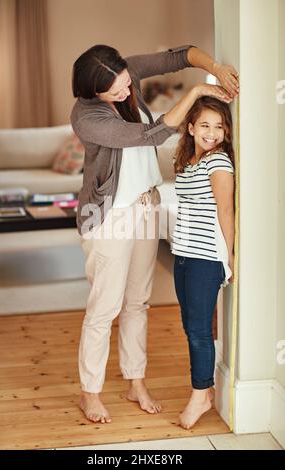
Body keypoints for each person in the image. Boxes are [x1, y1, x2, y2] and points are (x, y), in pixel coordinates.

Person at [70, 43, 239, 424]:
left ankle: (136, 381)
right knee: (105, 308)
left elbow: (179, 55)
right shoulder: (87, 116)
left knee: (137, 302)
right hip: (109, 216)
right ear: (92, 90)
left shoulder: (126, 74)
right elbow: (151, 135)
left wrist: (214, 68)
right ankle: (90, 392)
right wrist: (196, 92)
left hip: (146, 207)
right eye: (114, 89)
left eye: (126, 82)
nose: (125, 91)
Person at [172, 96, 236, 429]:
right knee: (190, 326)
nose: (212, 133)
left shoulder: (218, 162)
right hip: (182, 254)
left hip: (205, 258)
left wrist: (230, 256)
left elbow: (226, 210)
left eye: (219, 127)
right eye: (205, 125)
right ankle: (204, 390)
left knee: (198, 332)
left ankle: (201, 396)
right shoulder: (188, 159)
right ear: (192, 127)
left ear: (226, 131)